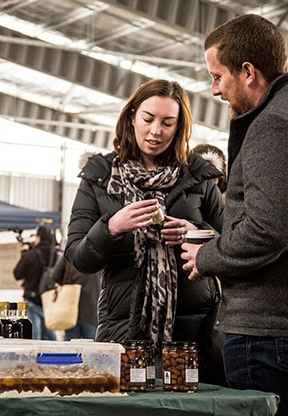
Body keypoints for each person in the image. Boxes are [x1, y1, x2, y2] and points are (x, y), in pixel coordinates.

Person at [181, 14, 288, 416]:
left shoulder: (276, 126)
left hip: (271, 330)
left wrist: (207, 256)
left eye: (217, 76)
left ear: (248, 72)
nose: (214, 89)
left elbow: (269, 230)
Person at [64, 78, 225, 384]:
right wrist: (111, 226)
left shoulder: (198, 176)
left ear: (179, 127)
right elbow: (78, 257)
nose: (155, 131)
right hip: (123, 329)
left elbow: (233, 241)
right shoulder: (100, 176)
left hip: (194, 333)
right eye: (148, 119)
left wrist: (196, 232)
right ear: (132, 116)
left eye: (168, 123)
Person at [13, 226, 57, 340]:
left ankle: (34, 356)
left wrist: (25, 254)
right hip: (49, 300)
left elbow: (17, 274)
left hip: (32, 299)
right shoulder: (56, 255)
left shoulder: (30, 255)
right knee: (51, 337)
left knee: (34, 335)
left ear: (39, 238)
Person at [48, 254, 100, 340]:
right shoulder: (99, 254)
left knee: (72, 347)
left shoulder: (70, 254)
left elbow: (55, 276)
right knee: (92, 347)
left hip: (71, 310)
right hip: (92, 310)